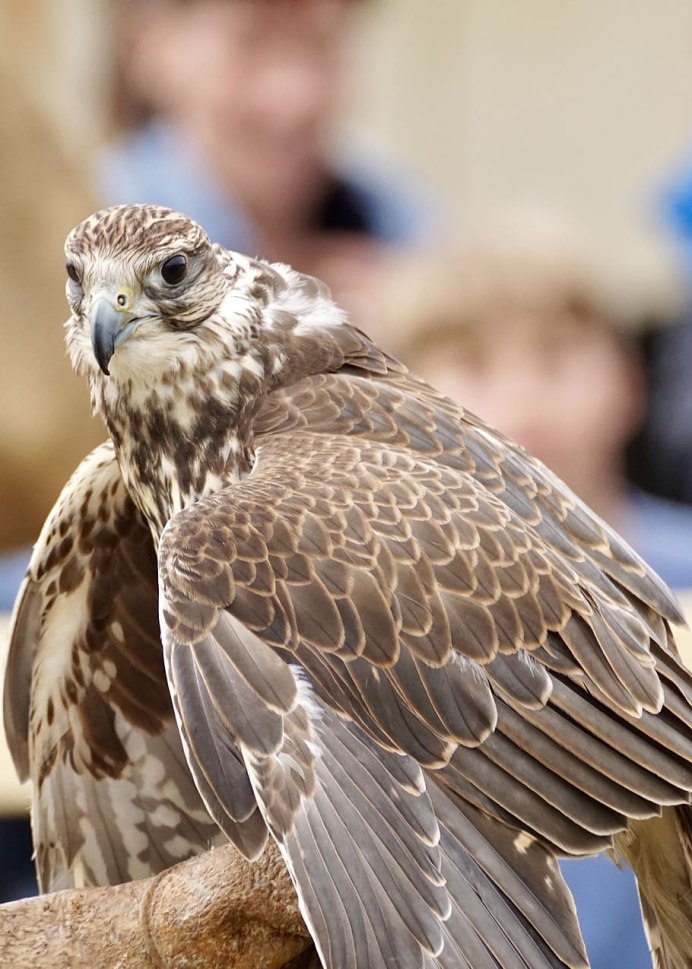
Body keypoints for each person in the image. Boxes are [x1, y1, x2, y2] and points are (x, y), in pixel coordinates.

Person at [374, 214, 692, 969]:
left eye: (555, 357)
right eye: (476, 362)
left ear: (628, 379)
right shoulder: (380, 611)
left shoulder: (684, 566)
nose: (523, 395)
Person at [98, 0, 431, 325]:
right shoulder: (94, 231)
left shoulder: (397, 223)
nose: (291, 96)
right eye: (250, 43)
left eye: (321, 43)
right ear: (149, 42)